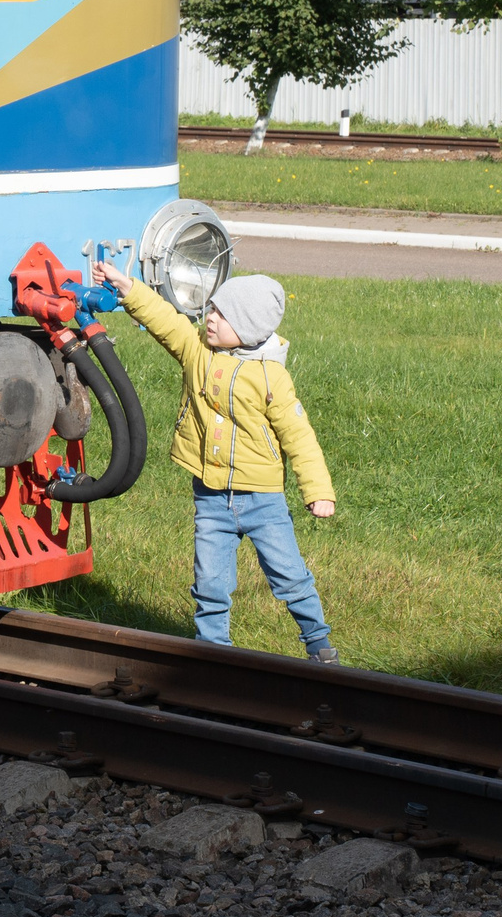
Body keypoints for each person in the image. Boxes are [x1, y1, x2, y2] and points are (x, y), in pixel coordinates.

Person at [92, 259, 340, 661]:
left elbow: (300, 437)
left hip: (262, 500)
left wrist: (318, 491)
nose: (210, 318)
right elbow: (166, 320)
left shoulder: (271, 377)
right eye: (212, 308)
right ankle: (213, 654)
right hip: (210, 495)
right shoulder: (198, 352)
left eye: (223, 314)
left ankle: (319, 644)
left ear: (248, 326)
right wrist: (128, 288)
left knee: (290, 577)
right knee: (209, 581)